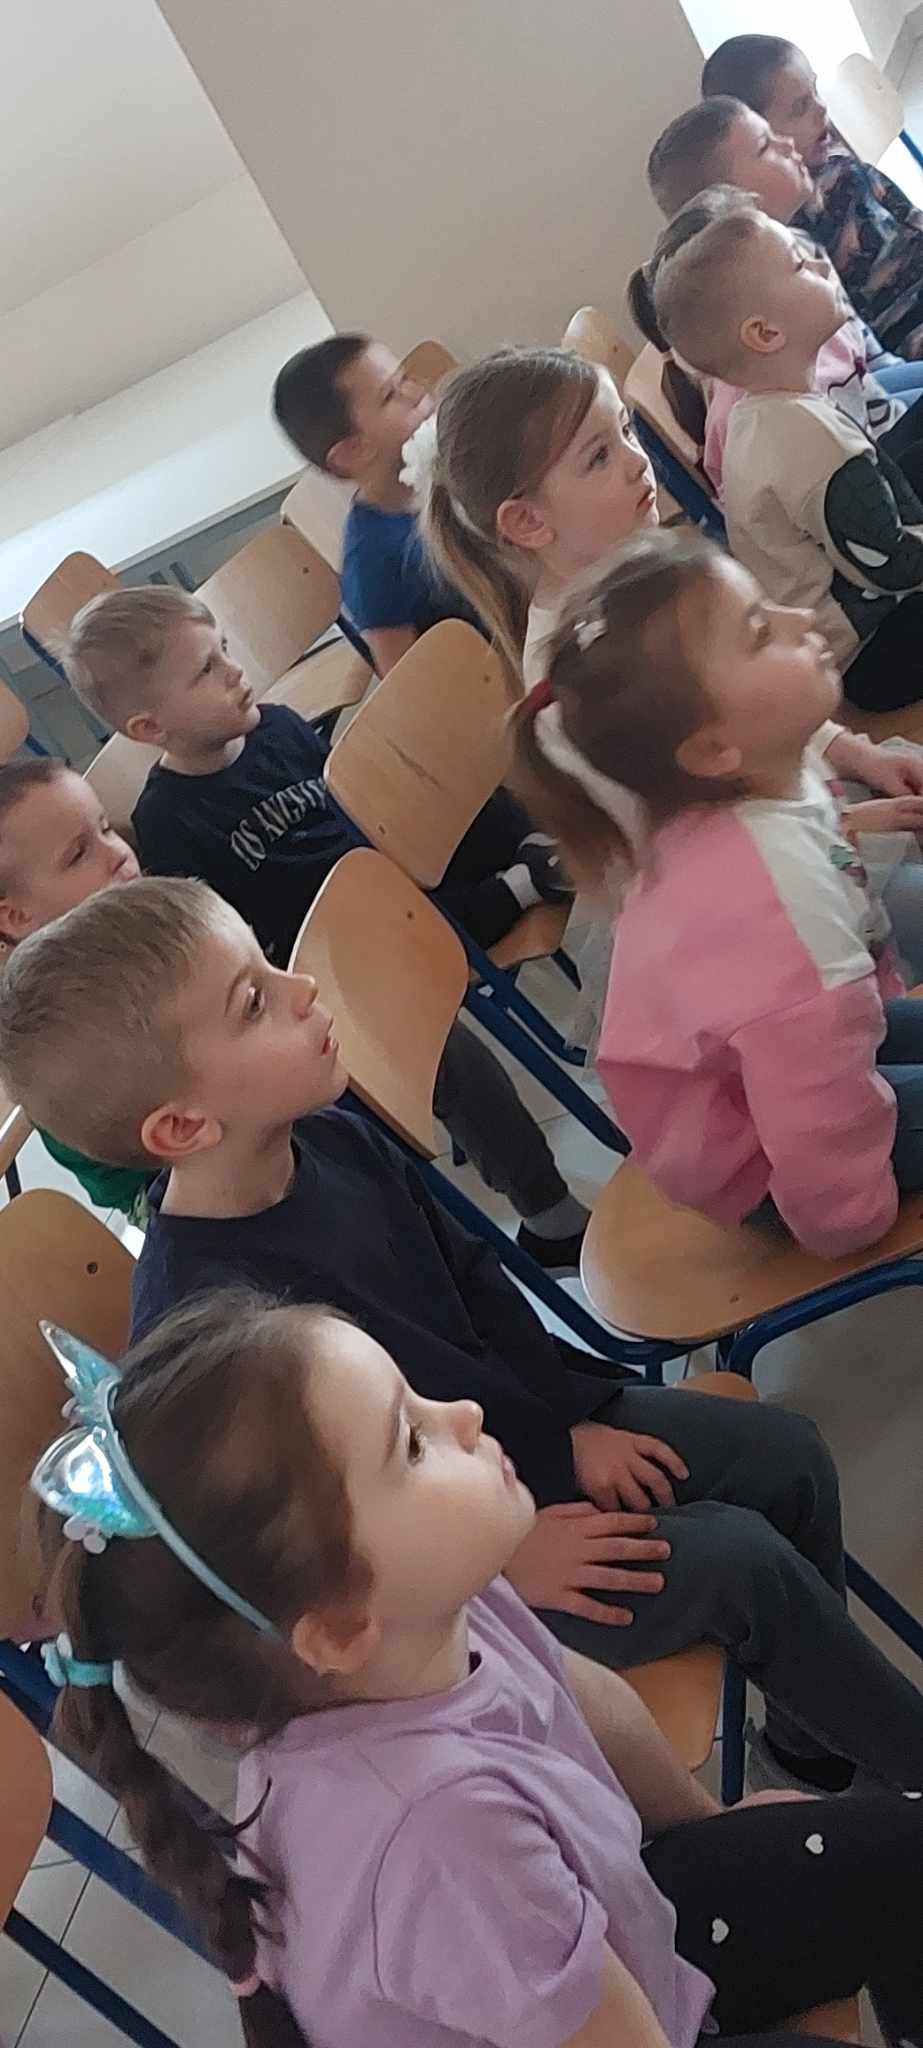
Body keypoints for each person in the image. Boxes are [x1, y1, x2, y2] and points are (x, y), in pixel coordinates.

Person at [8, 878, 923, 1802]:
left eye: (270, 963)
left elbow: (477, 1289)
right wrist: (504, 1560)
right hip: (441, 1584)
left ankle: (812, 1748)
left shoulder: (334, 1136)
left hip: (501, 1443)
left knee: (786, 1456)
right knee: (742, 1565)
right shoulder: (210, 1333)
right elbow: (312, 1562)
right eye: (254, 1002)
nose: (304, 988)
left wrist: (566, 1430)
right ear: (182, 1125)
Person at [32, 1291, 923, 2047]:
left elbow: (584, 1697)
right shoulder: (436, 1832)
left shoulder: (428, 1610)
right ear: (339, 1629)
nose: (460, 1413)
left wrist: (708, 1829)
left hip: (622, 1937)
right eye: (412, 1444)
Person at [61, 584, 585, 1271]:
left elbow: (361, 815)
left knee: (463, 808)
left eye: (224, 649)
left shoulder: (277, 727)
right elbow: (239, 941)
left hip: (392, 875)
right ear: (150, 728)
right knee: (444, 1035)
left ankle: (537, 863)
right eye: (205, 671)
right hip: (346, 954)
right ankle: (551, 1218)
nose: (234, 670)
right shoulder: (169, 823)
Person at [423, 342, 923, 993]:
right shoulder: (576, 685)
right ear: (527, 521)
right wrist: (845, 827)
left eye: (625, 431)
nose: (638, 461)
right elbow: (692, 856)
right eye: (598, 457)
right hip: (755, 901)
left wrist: (858, 755)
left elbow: (757, 693)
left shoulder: (649, 571)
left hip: (800, 811)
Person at [512, 527, 923, 1258]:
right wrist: (853, 1218)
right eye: (761, 632)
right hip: (765, 1162)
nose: (799, 620)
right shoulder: (776, 907)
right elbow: (814, 1122)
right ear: (711, 749)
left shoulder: (754, 783)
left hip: (777, 1077)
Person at [653, 204, 923, 714]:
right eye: (801, 264)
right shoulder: (808, 442)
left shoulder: (765, 410)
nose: (821, 264)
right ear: (766, 334)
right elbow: (889, 566)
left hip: (859, 605)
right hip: (867, 650)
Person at [641, 102, 923, 496]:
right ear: (726, 197)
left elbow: (865, 380)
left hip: (871, 413)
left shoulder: (798, 251)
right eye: (765, 147)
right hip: (867, 463)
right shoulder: (774, 358)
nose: (787, 143)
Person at [701, 33, 923, 360]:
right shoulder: (785, 237)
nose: (821, 108)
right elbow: (856, 339)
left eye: (815, 91)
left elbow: (907, 215)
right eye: (800, 108)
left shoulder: (839, 164)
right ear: (760, 136)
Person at [272, 333, 477, 675]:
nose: (416, 392)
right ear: (352, 452)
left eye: (405, 378)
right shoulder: (373, 563)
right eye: (390, 395)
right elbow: (411, 687)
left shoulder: (453, 467)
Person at [0, 757, 147, 1218]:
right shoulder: (52, 1031)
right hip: (165, 1185)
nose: (117, 852)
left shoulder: (156, 918)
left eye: (105, 828)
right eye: (79, 855)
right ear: (16, 916)